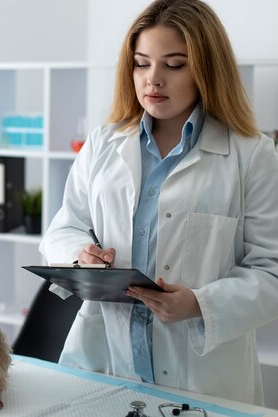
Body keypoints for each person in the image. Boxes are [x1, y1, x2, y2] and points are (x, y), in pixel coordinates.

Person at [39, 0, 278, 405]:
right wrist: (81, 257)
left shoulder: (251, 154)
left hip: (202, 380)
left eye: (174, 64)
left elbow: (271, 271)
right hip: (102, 363)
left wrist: (200, 304)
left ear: (206, 68)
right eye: (141, 63)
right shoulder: (103, 143)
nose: (153, 80)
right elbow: (65, 227)